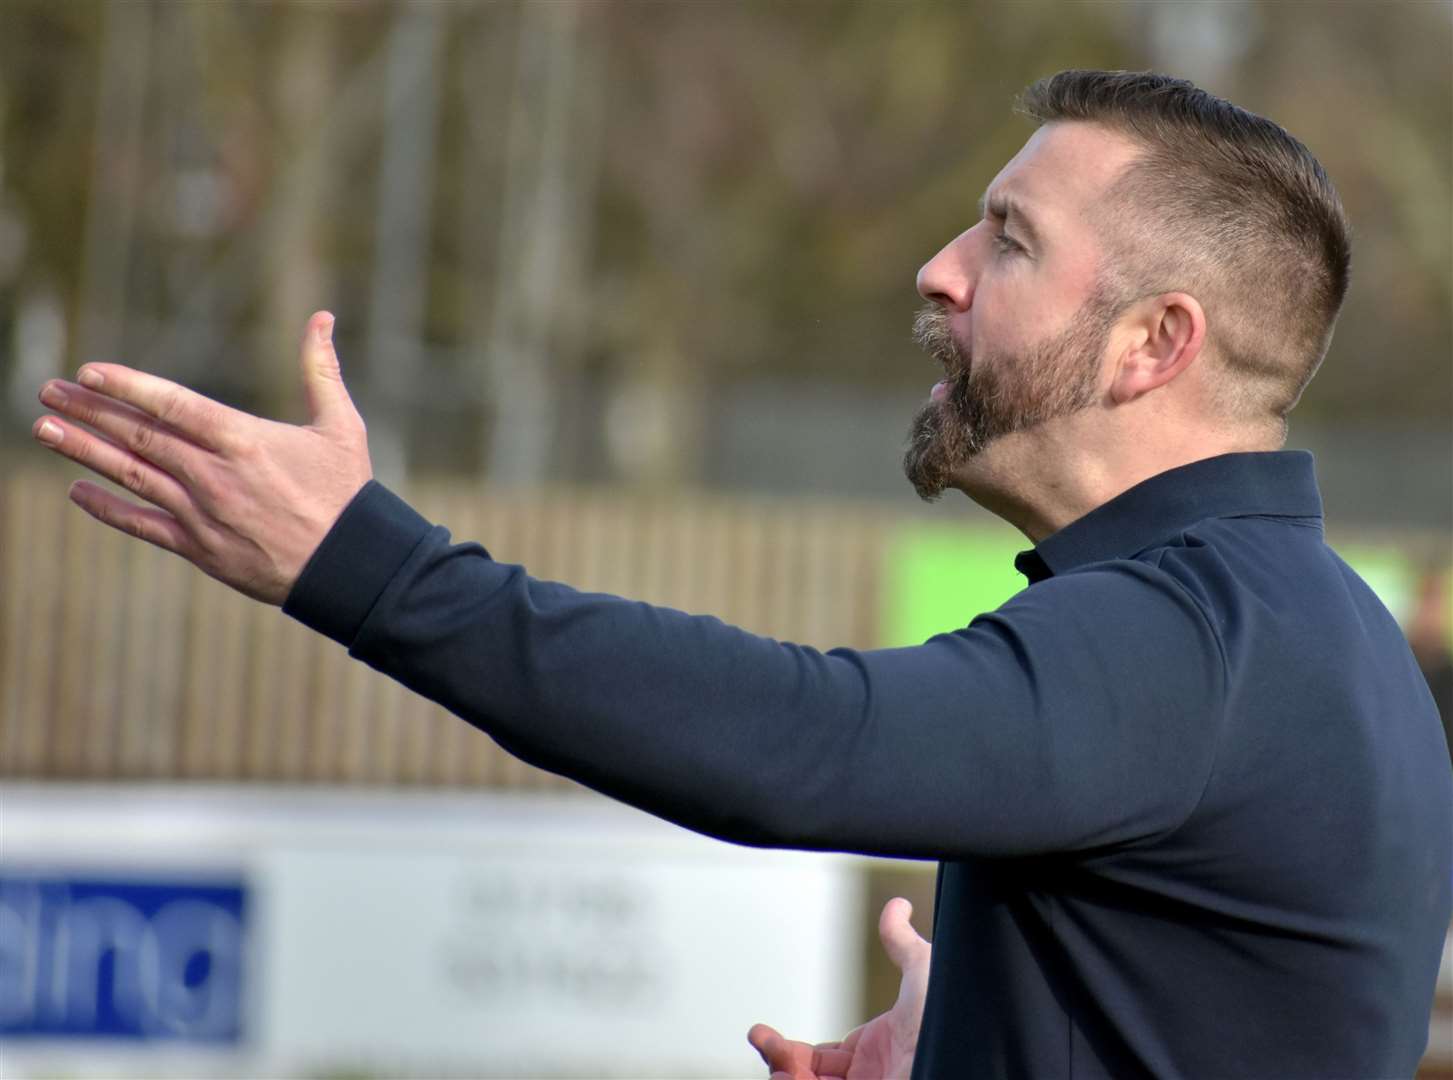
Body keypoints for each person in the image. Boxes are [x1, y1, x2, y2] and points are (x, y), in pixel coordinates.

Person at [31, 69, 1452, 1078]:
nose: (938, 270)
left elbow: (805, 745)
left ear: (1155, 343)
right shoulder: (1297, 627)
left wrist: (366, 565)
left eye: (1008, 240)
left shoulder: (1194, 640)